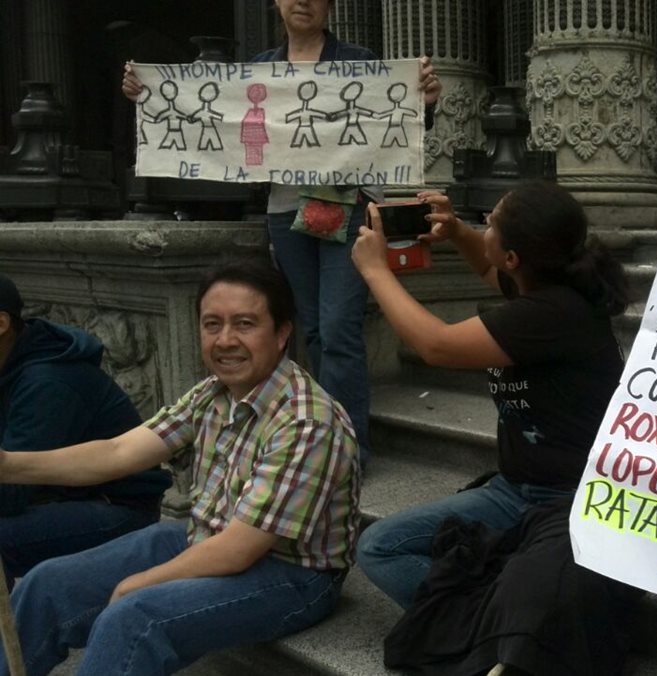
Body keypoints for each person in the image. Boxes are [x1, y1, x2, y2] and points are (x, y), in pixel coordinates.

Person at [121, 0, 445, 468]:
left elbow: (397, 118)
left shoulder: (359, 63)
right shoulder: (258, 69)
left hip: (347, 208)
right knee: (309, 328)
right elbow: (211, 118)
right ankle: (320, 437)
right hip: (285, 210)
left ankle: (348, 451)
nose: (303, 2)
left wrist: (424, 102)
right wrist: (148, 94)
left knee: (338, 328)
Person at [0, 260, 360, 676]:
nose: (226, 340)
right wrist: (7, 466)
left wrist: (141, 581)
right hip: (205, 537)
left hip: (294, 575)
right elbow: (117, 452)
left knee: (133, 617)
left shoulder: (307, 421)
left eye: (244, 324)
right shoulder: (213, 392)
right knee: (48, 585)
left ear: (281, 333)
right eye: (212, 324)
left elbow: (240, 549)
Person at [350, 182, 631, 671]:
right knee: (380, 547)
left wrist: (376, 270)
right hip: (513, 490)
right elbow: (487, 267)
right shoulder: (544, 283)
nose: (484, 229)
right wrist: (457, 231)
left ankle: (496, 620)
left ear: (515, 257)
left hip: (569, 500)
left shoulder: (552, 314)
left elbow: (435, 346)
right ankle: (496, 618)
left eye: (491, 224)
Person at [0, 274, 170, 590]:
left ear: (1, 324)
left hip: (119, 510)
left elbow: (10, 492)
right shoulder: (13, 360)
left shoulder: (47, 383)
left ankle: (14, 634)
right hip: (61, 494)